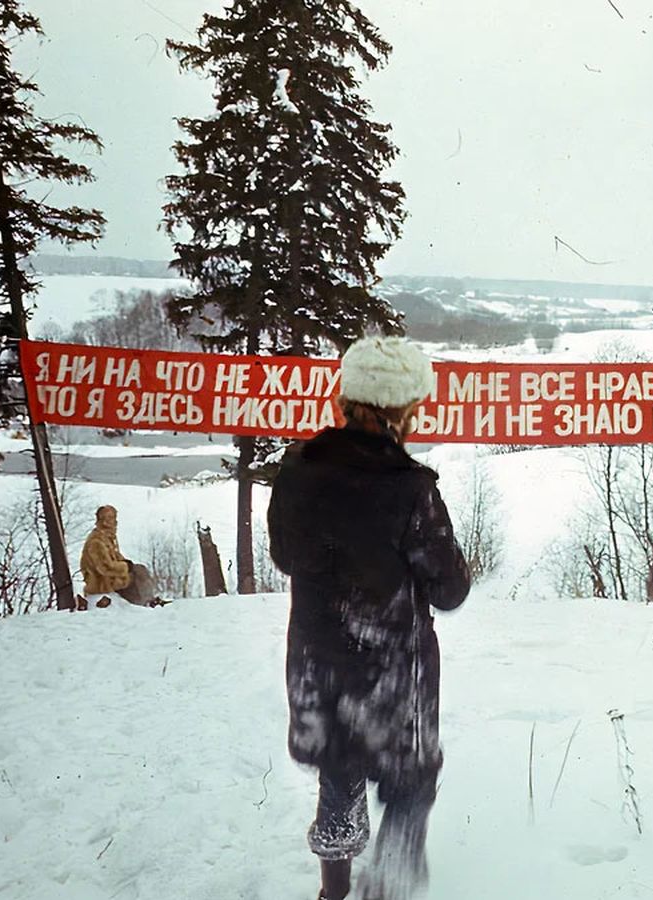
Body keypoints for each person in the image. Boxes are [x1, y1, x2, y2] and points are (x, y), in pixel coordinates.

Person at [268, 336, 470, 900]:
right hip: (391, 675)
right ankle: (391, 891)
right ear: (403, 410)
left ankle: (334, 892)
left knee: (339, 773)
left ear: (346, 399)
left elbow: (285, 556)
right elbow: (449, 589)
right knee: (410, 784)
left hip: (317, 665)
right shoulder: (410, 490)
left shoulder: (295, 473)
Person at [78, 505, 161, 609]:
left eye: (112, 517)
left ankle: (147, 600)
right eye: (108, 517)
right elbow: (105, 568)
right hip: (101, 583)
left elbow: (118, 558)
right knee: (136, 574)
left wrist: (127, 564)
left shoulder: (107, 538)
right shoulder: (96, 541)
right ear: (101, 519)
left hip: (107, 578)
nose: (112, 521)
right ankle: (145, 602)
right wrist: (126, 567)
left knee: (138, 570)